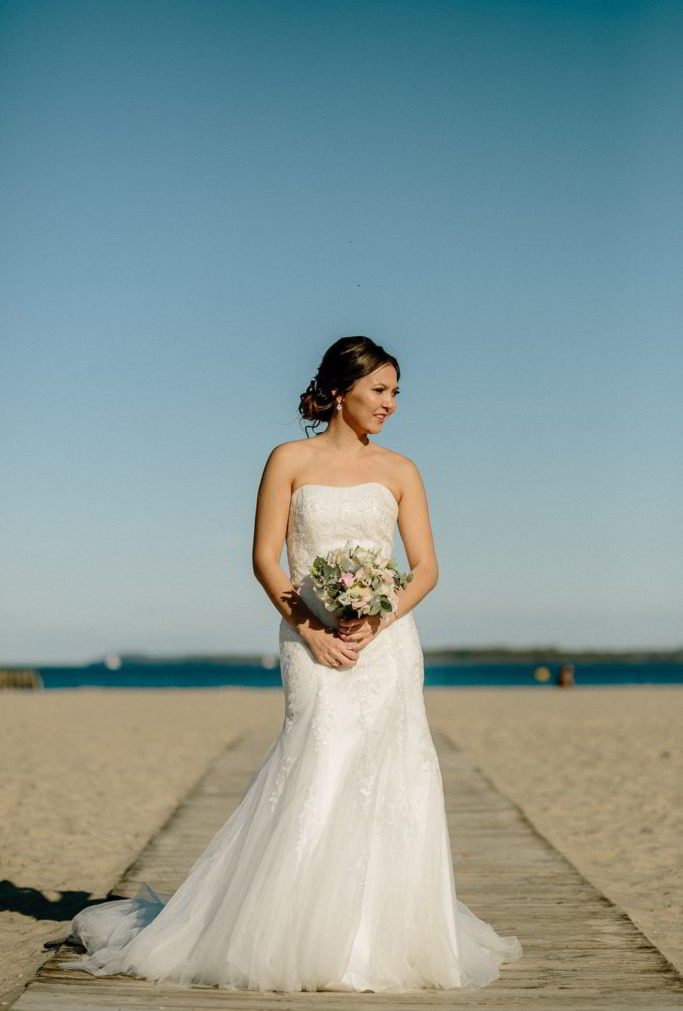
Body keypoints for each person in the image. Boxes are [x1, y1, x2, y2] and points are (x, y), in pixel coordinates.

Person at [60, 335, 523, 992]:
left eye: (395, 393)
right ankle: (286, 933)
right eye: (379, 391)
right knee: (316, 759)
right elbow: (265, 558)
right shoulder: (288, 460)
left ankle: (374, 936)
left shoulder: (401, 470)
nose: (390, 404)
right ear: (340, 391)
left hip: (385, 643)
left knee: (392, 771)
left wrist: (377, 617)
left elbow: (425, 568)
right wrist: (310, 629)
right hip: (307, 638)